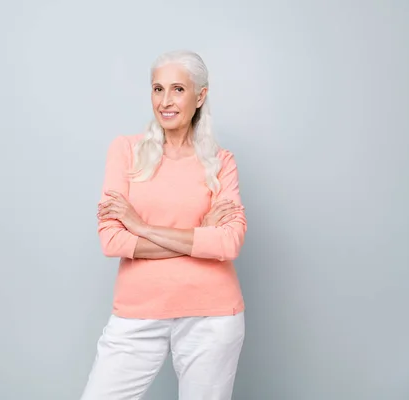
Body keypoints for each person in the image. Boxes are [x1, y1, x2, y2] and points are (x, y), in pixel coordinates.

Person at [80, 50, 247, 400]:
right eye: (158, 89)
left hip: (211, 315)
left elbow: (229, 243)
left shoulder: (221, 162)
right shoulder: (126, 151)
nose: (166, 101)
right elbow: (111, 240)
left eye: (178, 90)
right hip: (138, 310)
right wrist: (199, 234)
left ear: (199, 96)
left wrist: (141, 227)